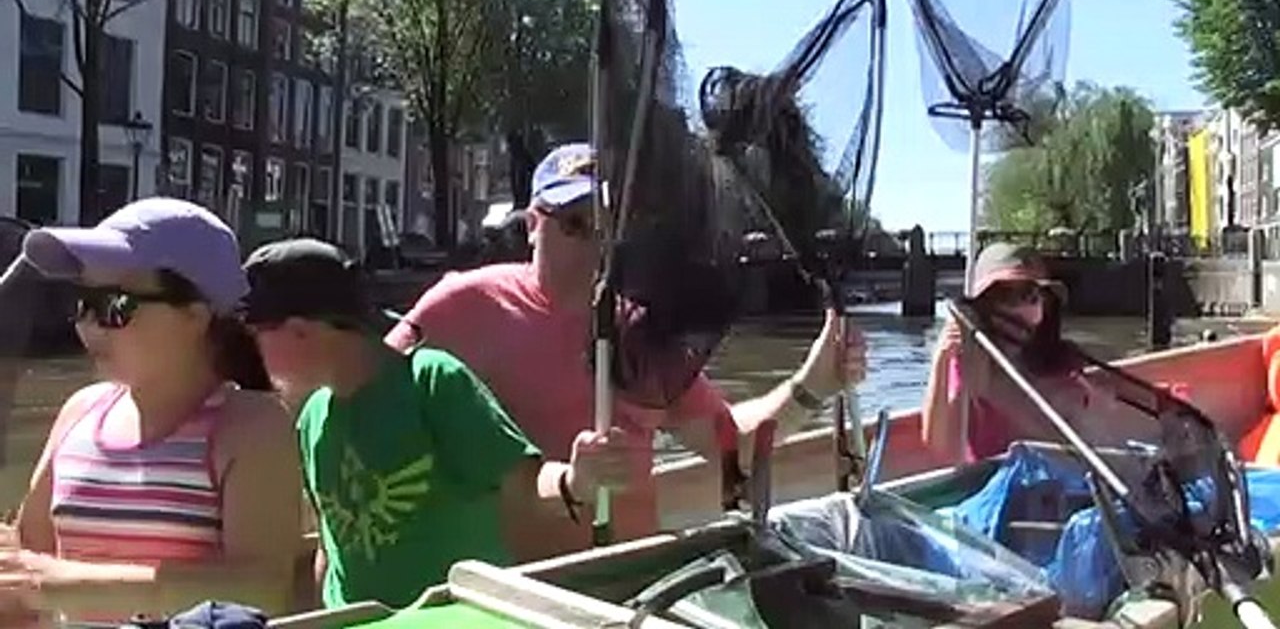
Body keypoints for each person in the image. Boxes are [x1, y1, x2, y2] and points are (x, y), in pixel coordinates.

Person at [384, 142, 867, 554]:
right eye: (574, 224)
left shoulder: (641, 330)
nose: (594, 244)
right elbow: (360, 393)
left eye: (607, 228)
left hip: (640, 579)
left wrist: (813, 385)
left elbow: (730, 448)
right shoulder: (466, 305)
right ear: (533, 223)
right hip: (528, 593)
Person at [239, 238, 634, 610]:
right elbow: (331, 547)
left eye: (254, 337)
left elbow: (525, 488)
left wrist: (578, 481)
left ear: (301, 332)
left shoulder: (431, 382)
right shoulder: (312, 418)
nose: (248, 355)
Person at [0, 198, 301, 624]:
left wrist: (56, 584)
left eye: (114, 307)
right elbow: (27, 562)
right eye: (83, 303)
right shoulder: (80, 412)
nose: (87, 326)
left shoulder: (252, 426)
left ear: (195, 316)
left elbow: (262, 588)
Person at [921, 242, 1122, 463]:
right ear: (984, 306)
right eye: (1005, 296)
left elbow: (1090, 450)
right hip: (996, 487)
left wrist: (1097, 409)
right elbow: (945, 454)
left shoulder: (1065, 361)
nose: (1021, 309)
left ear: (1046, 305)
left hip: (1064, 483)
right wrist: (941, 361)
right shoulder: (968, 361)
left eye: (1031, 296)